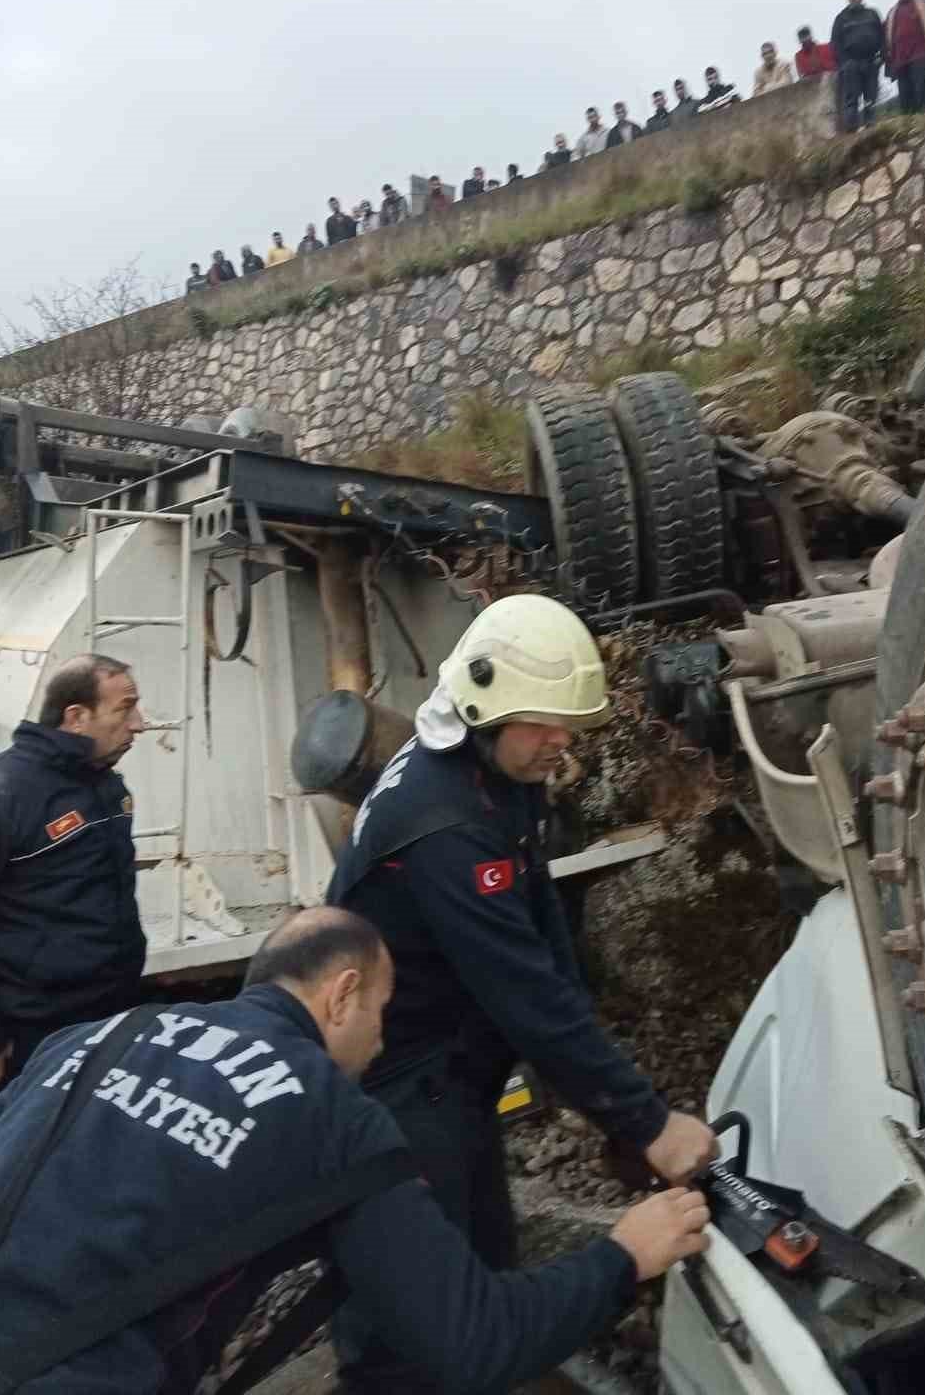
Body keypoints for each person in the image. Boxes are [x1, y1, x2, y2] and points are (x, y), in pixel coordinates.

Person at [0, 907, 709, 1393]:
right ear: (342, 996)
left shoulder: (105, 1033)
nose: (383, 1037)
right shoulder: (328, 1111)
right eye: (382, 1008)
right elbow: (476, 1340)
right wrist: (625, 1255)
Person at [328, 594, 719, 1391]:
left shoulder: (487, 770)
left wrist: (599, 1101)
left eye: (567, 723)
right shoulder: (441, 824)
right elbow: (525, 993)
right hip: (397, 1085)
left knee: (482, 1257)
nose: (561, 742)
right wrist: (645, 1122)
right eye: (544, 724)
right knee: (413, 1308)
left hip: (450, 1068)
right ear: (485, 704)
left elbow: (539, 930)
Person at [0, 655, 145, 1092]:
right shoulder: (10, 793)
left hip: (110, 1012)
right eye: (125, 708)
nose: (140, 723)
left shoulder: (106, 785)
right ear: (76, 717)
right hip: (35, 1033)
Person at [831, 0, 885, 131]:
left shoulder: (872, 14)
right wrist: (844, 63)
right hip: (851, 64)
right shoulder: (841, 18)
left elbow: (882, 37)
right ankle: (851, 129)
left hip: (871, 61)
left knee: (870, 96)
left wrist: (881, 57)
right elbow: (835, 44)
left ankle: (870, 124)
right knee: (851, 99)